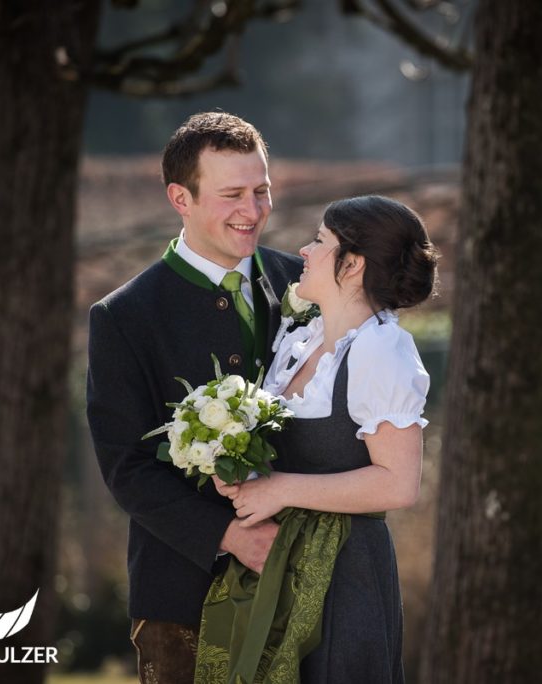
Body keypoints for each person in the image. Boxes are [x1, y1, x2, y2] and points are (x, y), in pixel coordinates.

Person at [86, 112, 303, 684]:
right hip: (181, 594)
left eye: (262, 191)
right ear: (180, 197)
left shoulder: (306, 283)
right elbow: (126, 467)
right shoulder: (124, 317)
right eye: (232, 194)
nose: (252, 211)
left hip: (310, 584)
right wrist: (228, 536)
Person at [204, 195, 438, 683]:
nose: (304, 252)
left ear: (352, 265)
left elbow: (399, 484)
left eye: (319, 241)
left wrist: (280, 489)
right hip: (278, 562)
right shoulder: (301, 341)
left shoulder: (380, 351)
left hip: (344, 575)